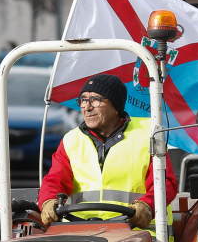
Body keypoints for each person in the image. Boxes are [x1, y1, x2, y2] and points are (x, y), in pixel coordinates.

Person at [38, 73, 177, 231]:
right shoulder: (71, 140)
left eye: (95, 100)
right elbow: (54, 180)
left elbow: (165, 183)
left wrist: (147, 206)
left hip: (138, 234)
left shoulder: (148, 134)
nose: (87, 107)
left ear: (116, 107)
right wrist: (48, 200)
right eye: (83, 100)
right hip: (82, 232)